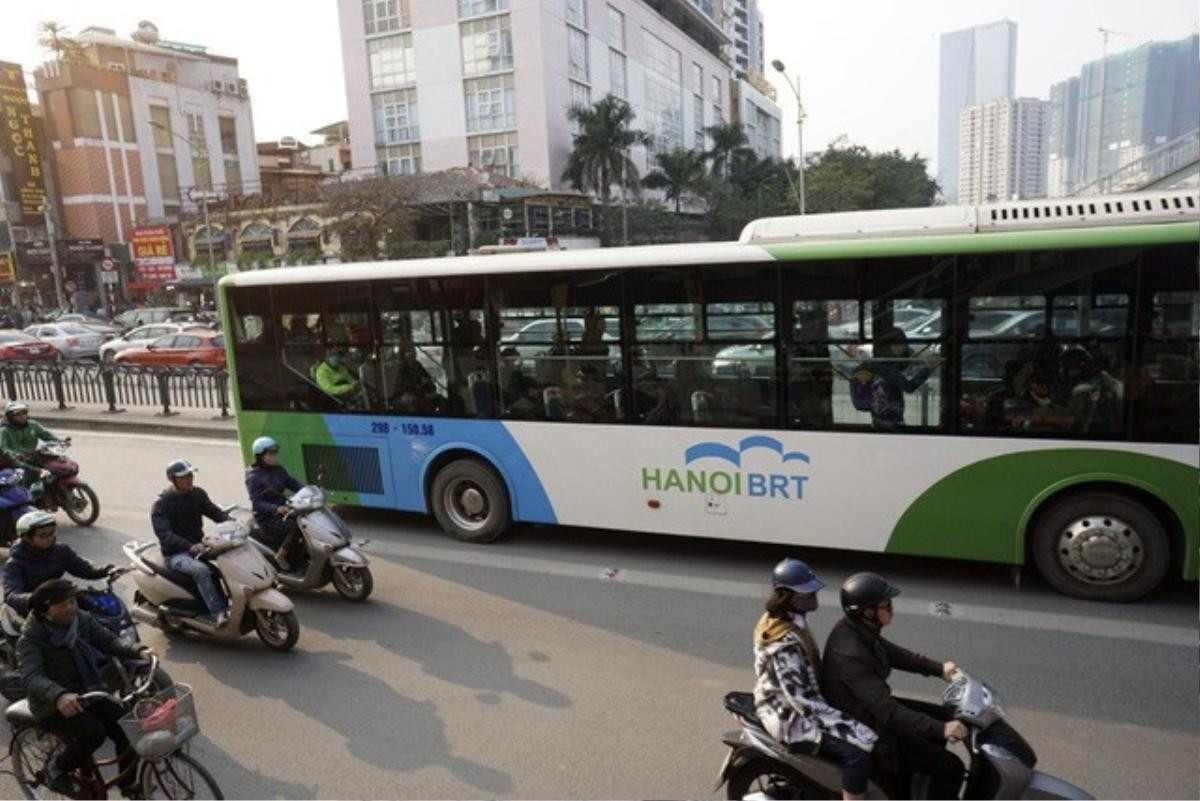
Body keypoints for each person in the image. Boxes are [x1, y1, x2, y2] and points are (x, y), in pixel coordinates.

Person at [820, 573, 966, 799]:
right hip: (868, 727)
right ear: (868, 612)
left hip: (871, 710)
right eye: (885, 605)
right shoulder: (850, 652)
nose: (891, 608)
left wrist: (939, 669)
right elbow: (887, 712)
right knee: (951, 767)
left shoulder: (859, 629)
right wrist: (941, 730)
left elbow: (893, 653)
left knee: (944, 715)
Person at [754, 559, 877, 801]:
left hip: (803, 701)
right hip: (790, 717)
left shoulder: (790, 619)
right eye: (806, 592)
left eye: (813, 589)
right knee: (858, 757)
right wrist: (852, 727)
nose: (813, 594)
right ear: (787, 596)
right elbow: (802, 702)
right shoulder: (783, 643)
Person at [17, 578, 151, 797]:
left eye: (72, 601)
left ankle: (128, 784)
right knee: (94, 733)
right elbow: (31, 676)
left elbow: (109, 641)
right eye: (62, 605)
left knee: (128, 727)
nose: (70, 608)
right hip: (52, 704)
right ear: (45, 611)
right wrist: (59, 695)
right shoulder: (30, 639)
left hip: (86, 693)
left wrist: (138, 650)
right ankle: (55, 769)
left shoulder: (81, 620)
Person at [150, 460, 231, 625]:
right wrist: (189, 546)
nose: (189, 479)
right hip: (176, 554)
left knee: (232, 552)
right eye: (184, 476)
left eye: (190, 475)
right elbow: (165, 535)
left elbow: (214, 512)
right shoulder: (161, 505)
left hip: (200, 546)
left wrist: (233, 523)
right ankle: (218, 612)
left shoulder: (197, 494)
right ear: (173, 479)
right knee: (201, 570)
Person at [2, 510, 117, 618]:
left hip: (61, 600)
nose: (49, 538)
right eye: (42, 535)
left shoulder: (61, 551)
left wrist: (106, 570)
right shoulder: (15, 564)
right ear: (27, 538)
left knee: (99, 614)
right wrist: (36, 598)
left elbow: (85, 569)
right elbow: (11, 596)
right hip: (34, 611)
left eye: (51, 533)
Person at [245, 437, 303, 570]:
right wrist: (276, 508)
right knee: (299, 526)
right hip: (267, 518)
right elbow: (257, 503)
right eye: (270, 454)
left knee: (307, 519)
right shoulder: (254, 477)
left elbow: (292, 483)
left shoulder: (278, 469)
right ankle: (281, 555)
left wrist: (309, 490)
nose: (274, 457)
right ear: (260, 456)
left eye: (274, 454)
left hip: (284, 509)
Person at [869, 329, 942, 431]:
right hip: (889, 420)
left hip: (882, 417)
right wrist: (928, 368)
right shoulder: (887, 365)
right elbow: (908, 387)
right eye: (903, 344)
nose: (905, 347)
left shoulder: (883, 362)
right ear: (893, 345)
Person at [1, 401, 59, 481]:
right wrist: (15, 454)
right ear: (10, 417)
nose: (22, 416)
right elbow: (4, 448)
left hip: (33, 456)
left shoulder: (32, 425)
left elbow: (46, 435)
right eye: (18, 414)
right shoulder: (4, 430)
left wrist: (60, 442)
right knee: (35, 471)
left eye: (24, 413)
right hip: (15, 460)